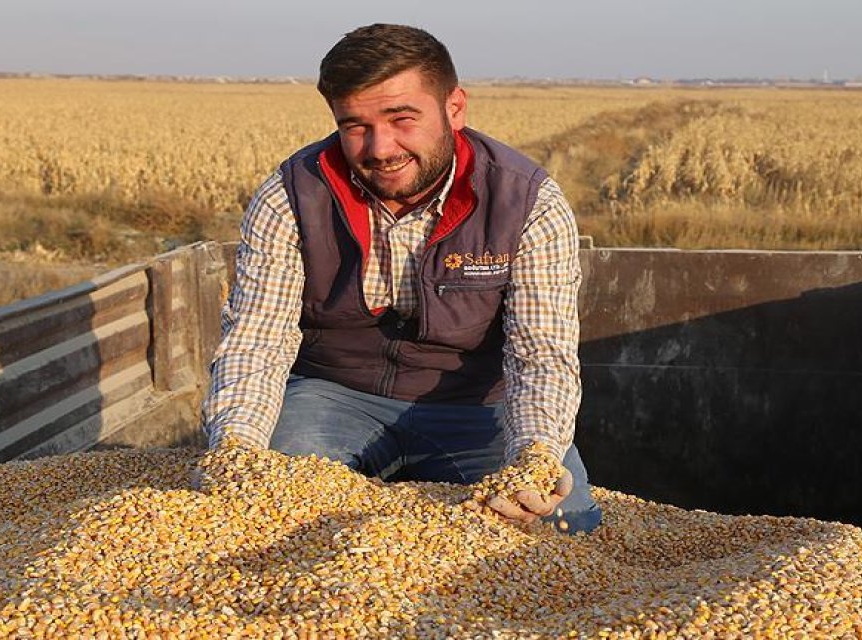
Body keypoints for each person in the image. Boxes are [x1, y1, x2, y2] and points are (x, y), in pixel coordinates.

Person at [200, 23, 601, 533]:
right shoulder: (291, 196)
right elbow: (258, 338)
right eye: (355, 126)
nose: (380, 148)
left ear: (454, 108)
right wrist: (236, 449)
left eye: (402, 118)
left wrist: (536, 455)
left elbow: (540, 352)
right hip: (331, 394)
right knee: (261, 511)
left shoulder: (526, 201)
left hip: (476, 407)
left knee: (563, 524)